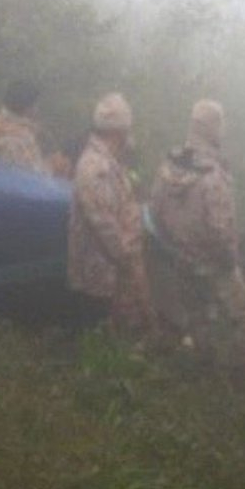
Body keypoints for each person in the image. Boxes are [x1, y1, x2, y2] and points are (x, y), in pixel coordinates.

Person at [148, 99, 245, 385]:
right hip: (215, 261)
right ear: (212, 127)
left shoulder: (169, 165)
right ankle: (239, 379)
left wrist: (175, 244)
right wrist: (230, 258)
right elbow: (220, 227)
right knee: (243, 317)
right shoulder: (214, 175)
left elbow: (155, 213)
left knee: (198, 317)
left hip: (181, 256)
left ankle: (204, 370)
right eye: (221, 124)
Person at [68, 93, 154, 334]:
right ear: (118, 131)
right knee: (105, 339)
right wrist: (127, 260)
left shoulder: (110, 162)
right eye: (128, 129)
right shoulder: (96, 167)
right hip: (102, 279)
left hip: (113, 274)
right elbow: (103, 223)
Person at [0, 81, 57, 175]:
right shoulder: (26, 134)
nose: (37, 108)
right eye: (35, 104)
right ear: (27, 105)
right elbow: (34, 171)